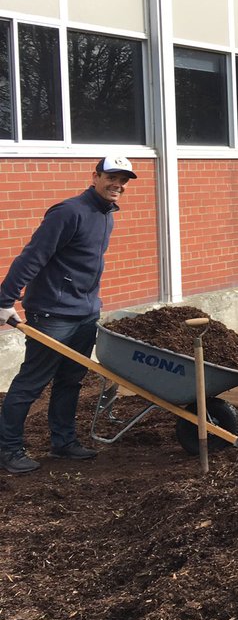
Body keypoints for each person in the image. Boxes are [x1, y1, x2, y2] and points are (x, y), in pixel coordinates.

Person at [0, 157, 139, 474]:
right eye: (111, 177)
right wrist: (6, 299)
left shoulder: (106, 215)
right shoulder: (69, 212)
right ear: (95, 176)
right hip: (53, 313)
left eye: (124, 180)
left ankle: (63, 443)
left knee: (70, 381)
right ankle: (7, 450)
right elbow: (33, 256)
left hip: (85, 313)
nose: (118, 184)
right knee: (31, 383)